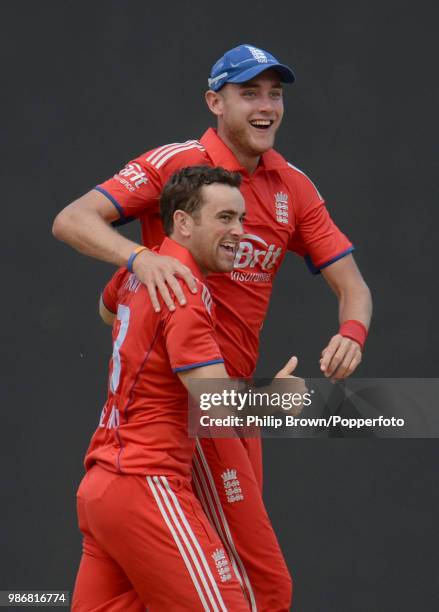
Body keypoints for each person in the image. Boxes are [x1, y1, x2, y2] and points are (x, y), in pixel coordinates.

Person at [54, 44, 372, 611]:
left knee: (175, 586)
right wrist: (140, 260)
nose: (267, 105)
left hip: (206, 415)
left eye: (275, 93)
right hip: (196, 414)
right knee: (257, 589)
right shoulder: (178, 199)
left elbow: (354, 286)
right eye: (249, 92)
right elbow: (71, 219)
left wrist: (352, 331)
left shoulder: (290, 186)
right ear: (214, 102)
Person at [73, 166, 297, 611]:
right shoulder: (183, 288)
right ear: (183, 222)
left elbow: (105, 312)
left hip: (101, 488)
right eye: (225, 218)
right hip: (148, 485)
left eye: (241, 218)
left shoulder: (144, 271)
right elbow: (214, 405)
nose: (240, 232)